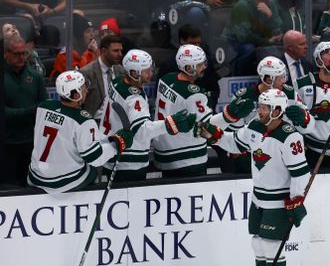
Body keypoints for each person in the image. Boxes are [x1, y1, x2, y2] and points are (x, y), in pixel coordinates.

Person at [197, 89, 310, 266]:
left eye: (264, 107)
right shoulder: (255, 127)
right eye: (260, 106)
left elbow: (301, 173)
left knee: (271, 244)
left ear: (277, 111)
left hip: (278, 201)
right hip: (258, 197)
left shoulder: (290, 137)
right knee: (258, 242)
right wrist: (215, 136)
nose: (259, 111)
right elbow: (234, 144)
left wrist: (296, 200)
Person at [154, 44, 253, 176]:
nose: (204, 67)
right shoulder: (194, 95)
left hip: (163, 152)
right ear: (189, 68)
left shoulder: (165, 79)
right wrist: (230, 114)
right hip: (187, 159)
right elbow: (206, 128)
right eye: (200, 64)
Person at [98, 50, 196, 182]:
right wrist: (170, 124)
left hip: (112, 152)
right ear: (133, 73)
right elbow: (142, 130)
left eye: (151, 69)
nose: (151, 73)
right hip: (129, 162)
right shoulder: (134, 98)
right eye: (146, 71)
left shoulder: (117, 82)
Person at [27, 71, 131, 193]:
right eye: (83, 88)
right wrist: (117, 144)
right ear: (76, 96)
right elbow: (95, 158)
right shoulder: (83, 120)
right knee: (92, 167)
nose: (86, 90)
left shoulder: (43, 106)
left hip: (36, 176)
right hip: (62, 183)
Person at [3, 35, 46, 187]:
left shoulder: (35, 76)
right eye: (17, 54)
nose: (21, 57)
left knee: (30, 186)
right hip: (6, 144)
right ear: (6, 53)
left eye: (24, 53)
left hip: (30, 144)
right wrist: (28, 112)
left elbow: (44, 105)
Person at [224, 0, 284, 74]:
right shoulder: (242, 6)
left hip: (261, 41)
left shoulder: (271, 4)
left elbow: (279, 29)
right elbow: (244, 37)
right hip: (236, 45)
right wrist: (267, 41)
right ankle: (241, 77)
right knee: (249, 49)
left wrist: (270, 16)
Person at [157, 24, 221, 109]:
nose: (197, 47)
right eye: (193, 43)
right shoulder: (169, 65)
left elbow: (214, 90)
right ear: (182, 40)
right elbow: (161, 94)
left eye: (199, 43)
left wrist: (206, 105)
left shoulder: (207, 62)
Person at [80, 34, 125, 117]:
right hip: (95, 122)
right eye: (115, 51)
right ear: (104, 51)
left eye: (120, 50)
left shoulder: (121, 71)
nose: (120, 54)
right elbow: (80, 104)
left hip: (118, 121)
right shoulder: (87, 72)